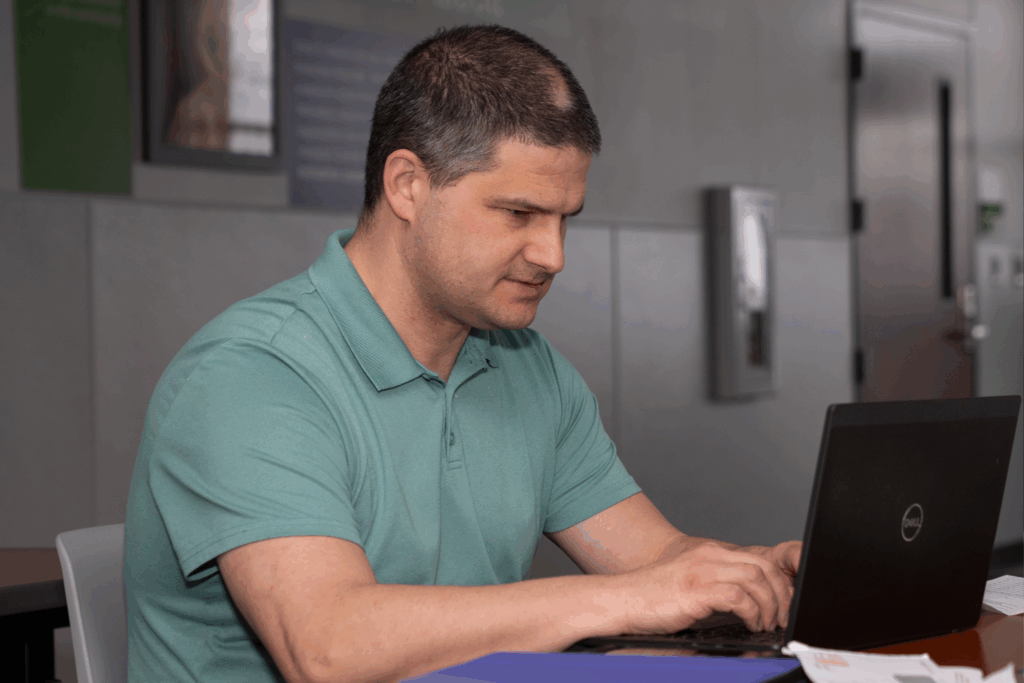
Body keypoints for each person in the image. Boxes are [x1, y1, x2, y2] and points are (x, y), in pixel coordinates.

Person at [124, 24, 801, 683]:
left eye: (566, 218)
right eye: (518, 214)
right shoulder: (251, 376)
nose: (553, 255)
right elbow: (328, 647)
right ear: (407, 186)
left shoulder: (526, 367)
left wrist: (748, 573)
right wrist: (627, 599)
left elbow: (654, 560)